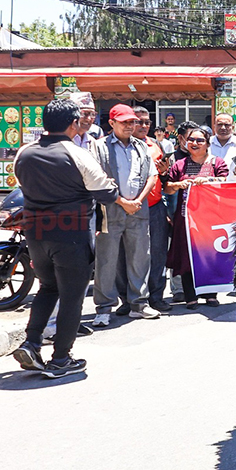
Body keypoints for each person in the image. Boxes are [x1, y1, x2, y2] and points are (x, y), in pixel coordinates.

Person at [11, 98, 121, 378]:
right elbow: (106, 193)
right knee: (72, 297)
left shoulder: (24, 152)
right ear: (74, 123)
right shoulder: (78, 154)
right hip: (71, 234)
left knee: (48, 288)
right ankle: (61, 358)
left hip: (36, 234)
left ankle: (32, 342)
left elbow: (21, 184)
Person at [88, 104, 159, 326]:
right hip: (110, 210)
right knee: (107, 259)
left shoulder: (141, 146)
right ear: (112, 123)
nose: (131, 126)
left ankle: (139, 303)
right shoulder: (99, 147)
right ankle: (104, 307)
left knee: (140, 257)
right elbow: (97, 179)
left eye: (133, 122)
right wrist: (122, 201)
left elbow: (152, 176)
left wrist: (137, 201)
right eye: (125, 122)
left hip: (138, 209)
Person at [165, 127, 228, 308]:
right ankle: (190, 295)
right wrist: (178, 184)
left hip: (210, 219)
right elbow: (167, 187)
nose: (194, 143)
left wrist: (208, 181)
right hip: (186, 219)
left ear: (208, 144)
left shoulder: (217, 162)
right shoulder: (179, 165)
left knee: (209, 255)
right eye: (191, 140)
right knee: (187, 255)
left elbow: (225, 182)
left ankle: (210, 294)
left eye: (200, 140)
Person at [130, 106, 171, 312]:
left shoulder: (155, 145)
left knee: (157, 254)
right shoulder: (121, 145)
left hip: (155, 207)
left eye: (147, 122)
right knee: (129, 255)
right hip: (129, 208)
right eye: (139, 121)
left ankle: (156, 297)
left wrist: (164, 173)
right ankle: (130, 300)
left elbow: (164, 178)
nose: (144, 126)